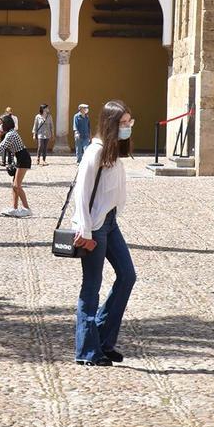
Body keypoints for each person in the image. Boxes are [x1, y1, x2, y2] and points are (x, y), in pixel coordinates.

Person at [69, 100, 136, 366]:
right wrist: (84, 229)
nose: (127, 127)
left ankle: (103, 338)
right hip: (94, 226)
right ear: (110, 123)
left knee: (127, 276)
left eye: (130, 123)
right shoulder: (94, 152)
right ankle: (86, 350)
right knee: (92, 287)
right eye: (123, 123)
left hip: (110, 223)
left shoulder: (114, 152)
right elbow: (81, 192)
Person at [0, 114, 32, 217]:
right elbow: (1, 146)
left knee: (17, 185)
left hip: (23, 158)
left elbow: (0, 149)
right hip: (20, 157)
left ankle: (27, 208)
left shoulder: (11, 134)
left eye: (0, 124)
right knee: (14, 186)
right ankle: (14, 208)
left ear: (6, 124)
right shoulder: (9, 134)